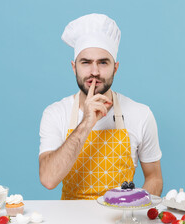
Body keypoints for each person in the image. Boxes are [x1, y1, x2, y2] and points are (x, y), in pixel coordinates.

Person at [39, 13, 163, 200]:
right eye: (86, 62)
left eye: (103, 62)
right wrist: (86, 122)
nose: (94, 72)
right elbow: (48, 179)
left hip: (120, 223)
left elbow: (154, 178)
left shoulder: (141, 114)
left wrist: (134, 209)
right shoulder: (55, 113)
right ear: (74, 67)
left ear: (115, 67)